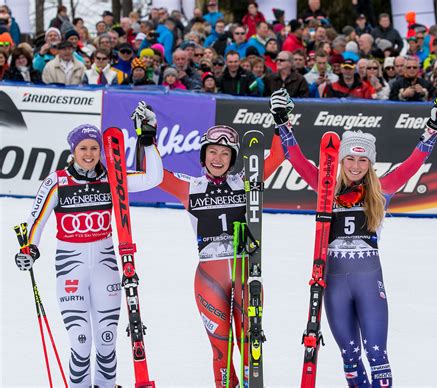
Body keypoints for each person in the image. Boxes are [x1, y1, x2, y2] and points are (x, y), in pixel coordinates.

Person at [270, 93, 437, 388]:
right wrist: (282, 123)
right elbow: (298, 160)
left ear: (370, 163)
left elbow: (412, 163)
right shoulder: (325, 187)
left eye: (363, 160)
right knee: (350, 356)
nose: (356, 166)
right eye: (350, 159)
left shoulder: (382, 190)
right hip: (334, 284)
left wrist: (433, 128)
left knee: (377, 355)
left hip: (369, 283)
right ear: (340, 161)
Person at [136, 91, 286, 387]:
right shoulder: (189, 187)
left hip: (245, 271)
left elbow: (279, 155)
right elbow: (150, 174)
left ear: (233, 158)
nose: (218, 158)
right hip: (208, 274)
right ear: (203, 154)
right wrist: (146, 138)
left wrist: (281, 119)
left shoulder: (246, 181)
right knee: (221, 349)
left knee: (250, 346)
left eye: (225, 152)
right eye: (212, 151)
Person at [14, 108, 163, 388]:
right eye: (83, 148)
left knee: (107, 341)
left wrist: (148, 141)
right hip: (70, 267)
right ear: (73, 151)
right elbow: (36, 220)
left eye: (94, 147)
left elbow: (153, 178)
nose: (89, 153)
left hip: (106, 266)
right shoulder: (57, 181)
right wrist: (29, 249)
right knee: (81, 343)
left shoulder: (112, 178)